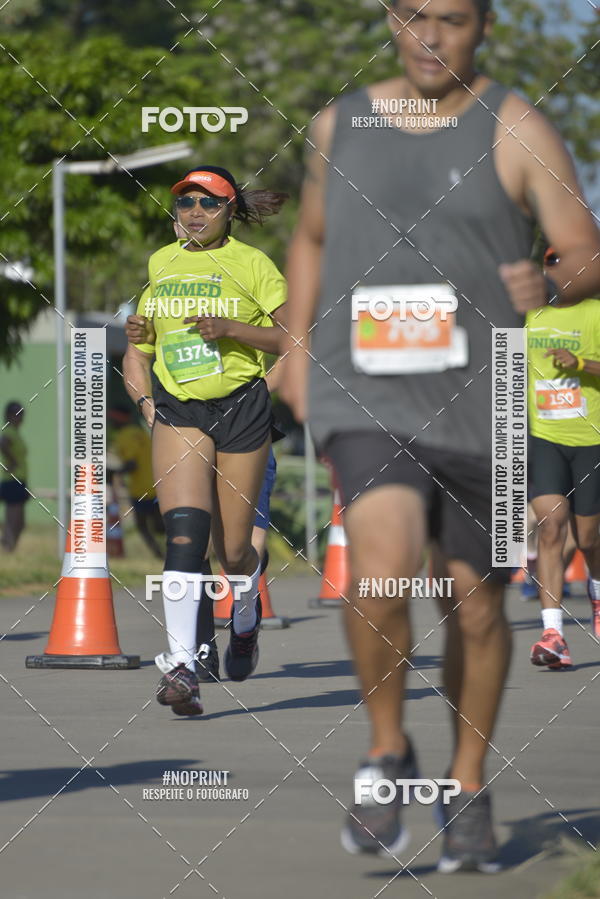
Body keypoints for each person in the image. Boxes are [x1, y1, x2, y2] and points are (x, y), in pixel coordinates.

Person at [280, 0, 600, 873]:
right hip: (366, 393)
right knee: (379, 569)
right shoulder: (338, 124)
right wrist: (300, 347)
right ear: (390, 20)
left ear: (484, 26)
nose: (432, 36)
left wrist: (553, 279)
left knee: (478, 602)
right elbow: (308, 237)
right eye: (415, 15)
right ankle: (388, 751)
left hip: (484, 403)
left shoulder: (514, 124)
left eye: (453, 19)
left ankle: (465, 781)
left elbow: (583, 247)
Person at [123, 165, 287, 715]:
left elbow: (291, 337)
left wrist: (233, 330)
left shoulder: (253, 264)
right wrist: (143, 353)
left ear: (230, 211)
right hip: (179, 411)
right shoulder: (160, 263)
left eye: (209, 203)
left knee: (232, 551)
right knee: (184, 538)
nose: (194, 211)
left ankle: (244, 616)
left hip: (241, 407)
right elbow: (144, 340)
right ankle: (182, 666)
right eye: (185, 203)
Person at [527, 247, 600, 667]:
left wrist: (581, 363)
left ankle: (596, 592)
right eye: (548, 262)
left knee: (588, 540)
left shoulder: (593, 312)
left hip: (590, 440)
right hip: (543, 438)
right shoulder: (528, 316)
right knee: (551, 527)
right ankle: (553, 633)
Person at [108, 405, 165, 559]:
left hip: (141, 491)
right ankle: (165, 553)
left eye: (112, 419)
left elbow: (132, 464)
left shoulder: (124, 437)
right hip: (157, 486)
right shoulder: (142, 433)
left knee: (144, 526)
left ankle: (160, 555)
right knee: (161, 526)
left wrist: (113, 472)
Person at [0, 401, 29, 552]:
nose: (21, 418)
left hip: (19, 481)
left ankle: (8, 548)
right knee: (13, 520)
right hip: (11, 481)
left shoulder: (16, 432)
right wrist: (12, 461)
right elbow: (2, 444)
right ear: (9, 416)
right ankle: (7, 549)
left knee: (20, 522)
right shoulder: (9, 431)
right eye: (18, 414)